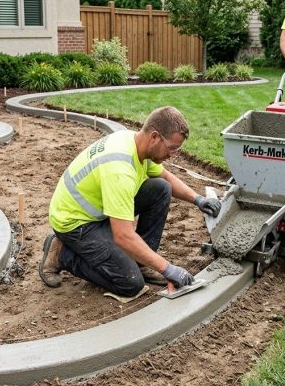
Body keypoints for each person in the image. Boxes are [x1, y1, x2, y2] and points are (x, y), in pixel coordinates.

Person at [39, 106, 222, 297]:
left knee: (160, 188)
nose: (173, 155)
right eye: (172, 148)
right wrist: (167, 269)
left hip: (98, 210)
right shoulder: (120, 169)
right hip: (75, 223)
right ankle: (62, 254)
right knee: (130, 284)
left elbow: (166, 178)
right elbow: (123, 236)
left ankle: (142, 263)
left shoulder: (137, 144)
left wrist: (198, 199)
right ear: (154, 137)